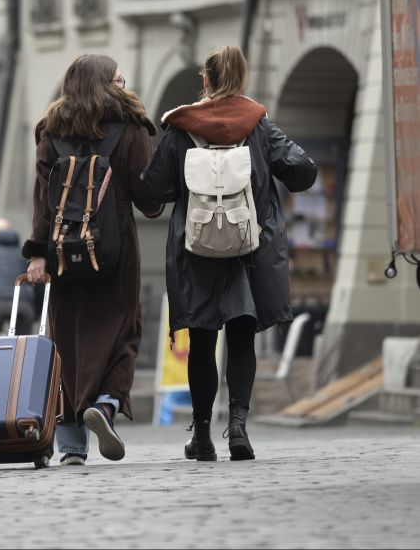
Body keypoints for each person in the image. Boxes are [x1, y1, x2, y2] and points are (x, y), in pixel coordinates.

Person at [140, 45, 317, 461]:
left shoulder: (181, 127)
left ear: (206, 79)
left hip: (197, 247)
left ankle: (201, 436)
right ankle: (237, 427)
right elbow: (304, 169)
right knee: (241, 338)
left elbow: (153, 188)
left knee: (202, 341)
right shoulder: (259, 125)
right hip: (248, 248)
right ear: (242, 78)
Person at [24, 54, 163, 466]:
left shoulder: (50, 133)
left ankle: (70, 447)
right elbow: (148, 198)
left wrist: (37, 255)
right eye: (118, 79)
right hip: (115, 254)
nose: (123, 84)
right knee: (124, 333)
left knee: (67, 342)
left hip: (63, 255)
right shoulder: (130, 131)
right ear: (105, 84)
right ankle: (104, 407)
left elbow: (41, 202)